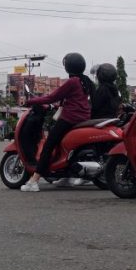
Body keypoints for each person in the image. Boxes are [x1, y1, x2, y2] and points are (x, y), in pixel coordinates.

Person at [20, 52, 94, 192]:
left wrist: (30, 101)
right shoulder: (86, 81)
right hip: (84, 118)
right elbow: (71, 99)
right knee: (62, 145)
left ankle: (34, 180)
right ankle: (66, 175)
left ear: (68, 67)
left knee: (49, 145)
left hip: (70, 119)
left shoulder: (72, 81)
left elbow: (51, 97)